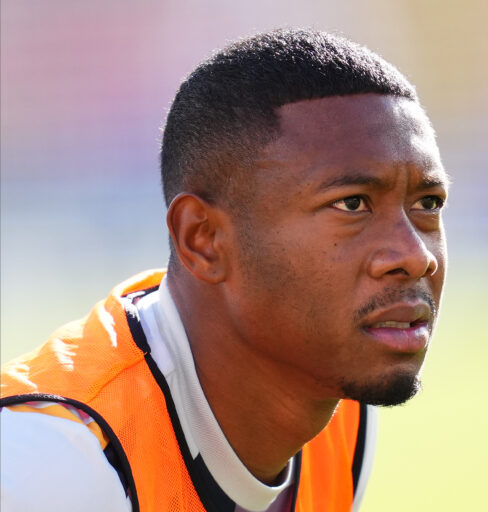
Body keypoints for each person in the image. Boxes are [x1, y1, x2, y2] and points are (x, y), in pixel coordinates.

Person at [0, 28, 448, 512]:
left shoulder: (341, 410)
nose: (415, 256)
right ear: (203, 239)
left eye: (427, 203)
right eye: (352, 204)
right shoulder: (50, 467)